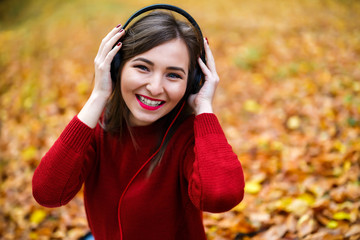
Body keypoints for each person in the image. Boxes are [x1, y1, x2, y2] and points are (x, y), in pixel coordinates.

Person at [32, 7, 245, 240]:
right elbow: (47, 193)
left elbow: (221, 196)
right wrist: (98, 96)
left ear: (192, 83)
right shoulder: (97, 127)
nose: (155, 87)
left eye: (173, 75)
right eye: (143, 67)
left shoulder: (190, 139)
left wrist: (204, 107)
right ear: (117, 67)